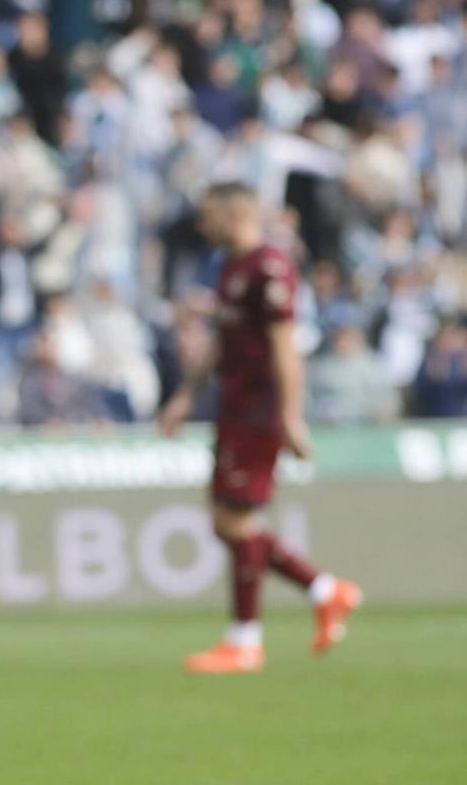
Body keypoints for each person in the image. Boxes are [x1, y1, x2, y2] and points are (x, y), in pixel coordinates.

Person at [159, 182, 361, 675]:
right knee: (227, 520)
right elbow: (220, 338)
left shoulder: (269, 268)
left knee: (234, 521)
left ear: (234, 215)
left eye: (209, 216)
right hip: (234, 407)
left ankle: (247, 640)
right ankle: (325, 591)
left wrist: (290, 417)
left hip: (259, 411)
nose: (202, 225)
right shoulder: (231, 266)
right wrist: (186, 395)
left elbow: (285, 348)